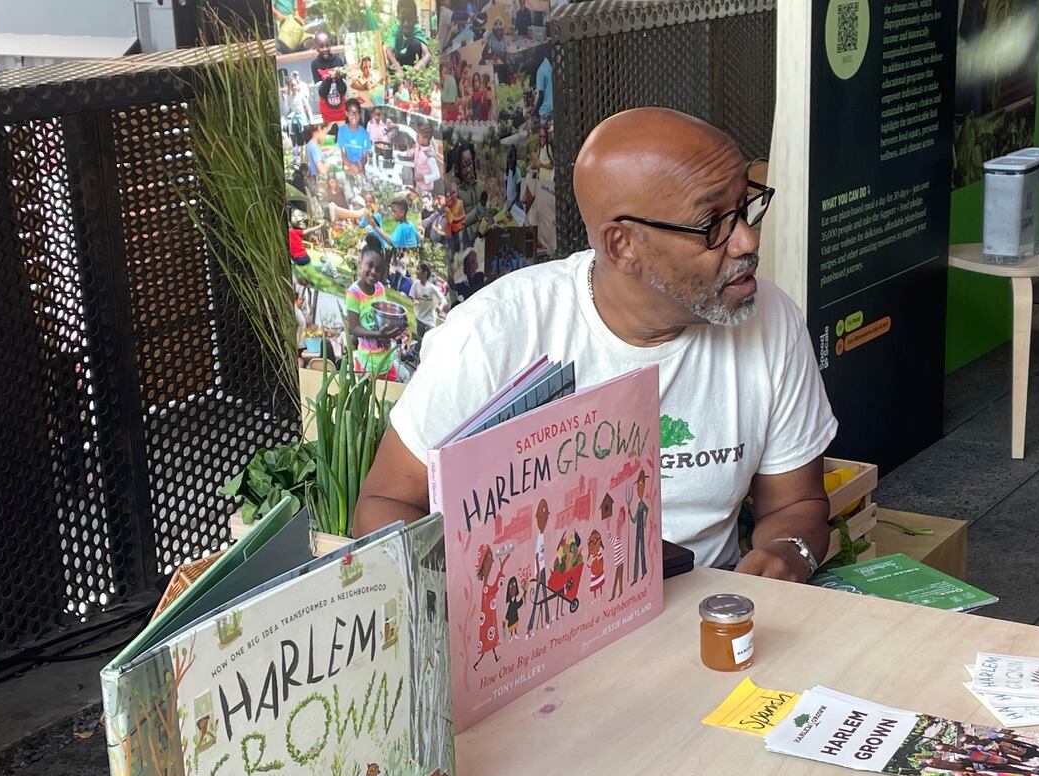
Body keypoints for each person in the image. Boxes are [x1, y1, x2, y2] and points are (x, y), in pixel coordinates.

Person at [352, 108, 837, 580]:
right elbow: (385, 507)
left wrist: (785, 555)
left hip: (705, 626)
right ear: (622, 245)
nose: (747, 240)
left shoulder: (769, 320)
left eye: (744, 207)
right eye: (713, 225)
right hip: (537, 632)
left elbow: (796, 505)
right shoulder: (492, 336)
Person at [345, 247, 402, 380]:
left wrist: (396, 327)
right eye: (369, 266)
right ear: (361, 263)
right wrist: (378, 334)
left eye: (378, 269)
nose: (373, 272)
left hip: (386, 359)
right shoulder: (353, 293)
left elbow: (385, 314)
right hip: (368, 365)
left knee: (388, 398)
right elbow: (354, 328)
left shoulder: (380, 288)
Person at [386, 0, 432, 79]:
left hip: (412, 64)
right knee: (388, 66)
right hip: (399, 62)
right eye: (403, 19)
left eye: (409, 19)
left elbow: (427, 54)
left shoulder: (417, 30)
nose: (406, 23)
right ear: (398, 17)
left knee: (416, 43)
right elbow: (389, 52)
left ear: (415, 19)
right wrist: (398, 69)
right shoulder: (395, 30)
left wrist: (416, 68)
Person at [336, 101, 373, 174]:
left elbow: (365, 157)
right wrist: (351, 165)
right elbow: (343, 154)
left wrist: (359, 165)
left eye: (357, 112)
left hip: (360, 168)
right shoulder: (342, 130)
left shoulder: (364, 134)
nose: (354, 115)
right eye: (351, 112)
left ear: (360, 114)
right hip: (347, 168)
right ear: (346, 114)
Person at [409, 262, 446, 331]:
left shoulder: (432, 288)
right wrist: (414, 300)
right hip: (419, 319)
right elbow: (412, 296)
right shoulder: (416, 284)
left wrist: (440, 307)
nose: (416, 271)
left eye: (419, 269)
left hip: (429, 321)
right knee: (420, 340)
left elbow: (443, 299)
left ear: (425, 273)